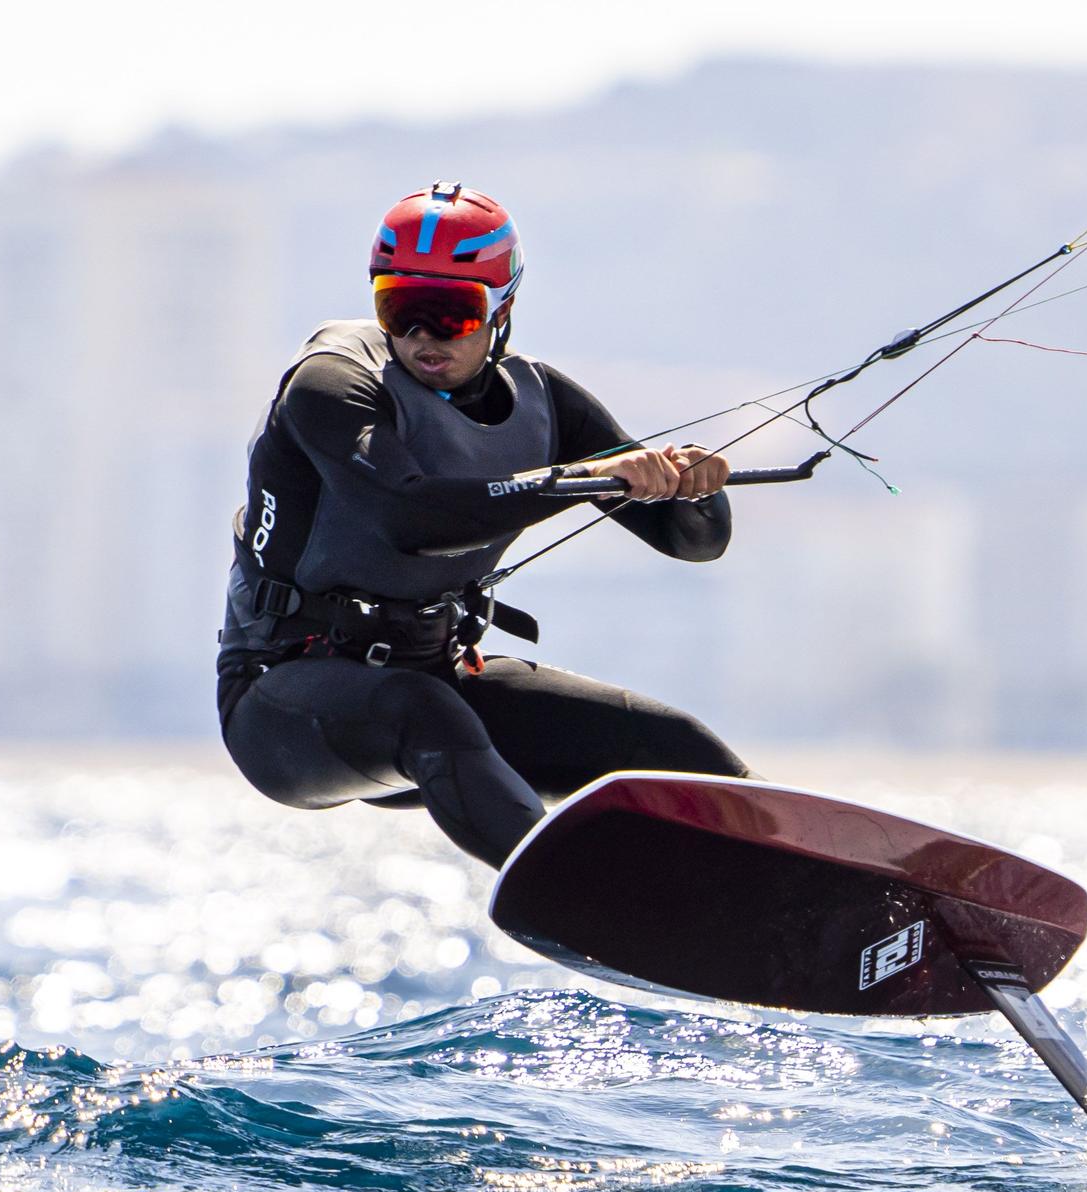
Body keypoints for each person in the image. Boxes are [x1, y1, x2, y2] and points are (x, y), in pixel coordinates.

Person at [216, 181, 753, 867]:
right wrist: (582, 479)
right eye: (400, 309)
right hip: (282, 703)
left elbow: (694, 540)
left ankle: (814, 897)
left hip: (439, 677)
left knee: (672, 746)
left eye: (451, 314)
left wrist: (693, 486)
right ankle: (581, 898)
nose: (421, 337)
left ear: (504, 307)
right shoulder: (332, 382)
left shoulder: (543, 402)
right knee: (425, 714)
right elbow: (410, 517)